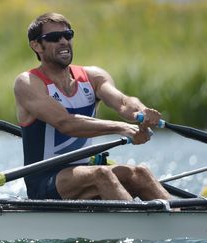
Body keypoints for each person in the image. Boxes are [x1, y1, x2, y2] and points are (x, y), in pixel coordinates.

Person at [14, 12, 171, 201]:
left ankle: (182, 220)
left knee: (140, 173)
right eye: (54, 38)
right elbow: (66, 123)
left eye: (68, 35)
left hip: (83, 173)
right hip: (45, 180)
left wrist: (141, 112)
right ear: (37, 45)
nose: (64, 41)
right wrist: (121, 127)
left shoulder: (93, 76)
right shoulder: (29, 83)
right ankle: (134, 227)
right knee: (101, 174)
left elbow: (122, 102)